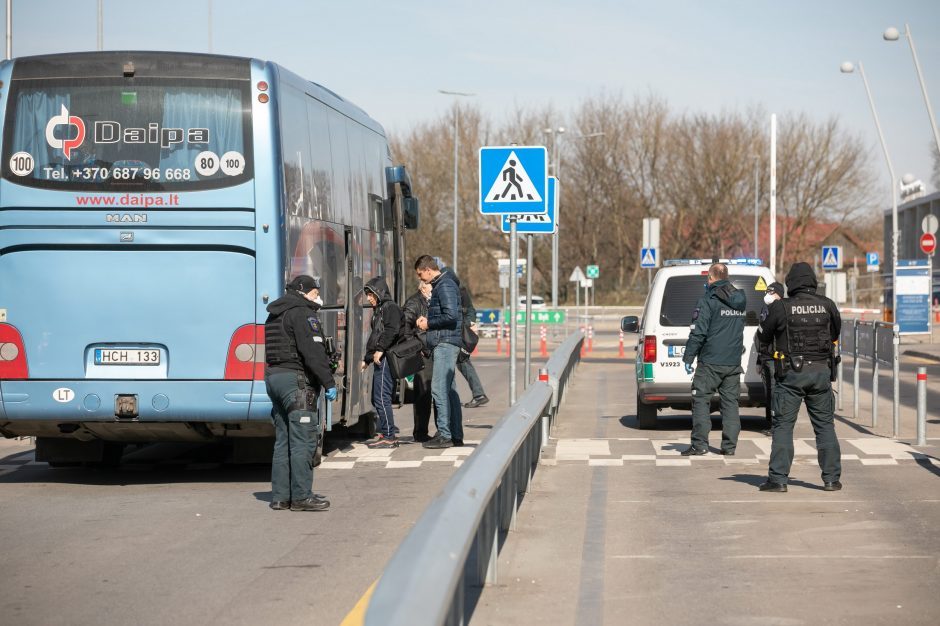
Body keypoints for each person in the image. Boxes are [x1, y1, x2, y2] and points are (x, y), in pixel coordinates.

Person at [756, 262, 843, 493]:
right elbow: (835, 332)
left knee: (783, 426)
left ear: (791, 283)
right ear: (813, 282)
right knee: (825, 426)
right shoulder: (827, 305)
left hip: (791, 375)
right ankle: (831, 480)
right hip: (821, 373)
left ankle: (778, 480)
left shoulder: (781, 307)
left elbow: (763, 336)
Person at [264, 275, 337, 512]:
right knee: (303, 441)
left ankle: (280, 496)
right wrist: (328, 381)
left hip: (274, 379)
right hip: (296, 383)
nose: (318, 297)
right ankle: (302, 497)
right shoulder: (302, 313)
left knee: (283, 440)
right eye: (316, 293)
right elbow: (313, 352)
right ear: (303, 291)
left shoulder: (274, 315)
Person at [680, 262, 747, 456]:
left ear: (710, 278)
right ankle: (729, 447)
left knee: (701, 400)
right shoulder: (741, 299)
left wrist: (688, 357)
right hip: (733, 362)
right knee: (731, 404)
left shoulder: (707, 300)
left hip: (710, 362)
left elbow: (698, 333)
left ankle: (699, 444)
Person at [415, 255, 464, 449]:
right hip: (446, 340)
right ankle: (455, 434)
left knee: (438, 388)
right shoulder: (444, 283)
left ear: (428, 269)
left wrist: (428, 323)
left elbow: (451, 315)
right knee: (450, 390)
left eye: (421, 275)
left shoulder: (444, 285)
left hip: (445, 341)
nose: (421, 279)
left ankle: (445, 435)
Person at [362, 276, 403, 449]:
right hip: (380, 357)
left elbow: (391, 331)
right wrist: (367, 359)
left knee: (381, 397)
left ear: (379, 293)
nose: (368, 298)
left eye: (371, 294)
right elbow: (376, 336)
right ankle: (387, 433)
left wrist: (380, 350)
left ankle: (389, 436)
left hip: (386, 357)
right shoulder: (381, 308)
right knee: (377, 397)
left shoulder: (390, 307)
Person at [402, 280, 435, 442]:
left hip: (433, 350)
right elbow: (405, 328)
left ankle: (437, 431)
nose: (433, 289)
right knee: (423, 393)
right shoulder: (414, 302)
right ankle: (420, 432)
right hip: (422, 352)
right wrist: (415, 348)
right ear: (423, 287)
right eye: (431, 286)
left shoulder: (432, 301)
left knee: (435, 392)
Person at [756, 282, 785, 436]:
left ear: (779, 294)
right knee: (770, 392)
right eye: (767, 292)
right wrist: (759, 360)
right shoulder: (765, 309)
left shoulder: (783, 310)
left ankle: (777, 426)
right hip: (766, 357)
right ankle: (772, 422)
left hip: (777, 358)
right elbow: (760, 336)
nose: (767, 295)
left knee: (776, 392)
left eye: (771, 293)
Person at [458, 284, 489, 408]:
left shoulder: (458, 290)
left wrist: (465, 324)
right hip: (457, 334)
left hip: (458, 335)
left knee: (463, 363)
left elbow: (470, 310)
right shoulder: (457, 288)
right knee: (464, 363)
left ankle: (479, 395)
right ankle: (479, 394)